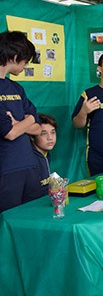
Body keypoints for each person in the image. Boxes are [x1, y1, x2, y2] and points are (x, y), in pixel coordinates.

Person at [0, 30, 41, 213]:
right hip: (6, 170)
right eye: (25, 61)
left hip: (29, 164)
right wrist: (27, 121)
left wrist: (21, 122)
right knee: (8, 220)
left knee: (30, 217)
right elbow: (10, 133)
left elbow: (37, 127)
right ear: (15, 57)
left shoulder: (17, 88)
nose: (25, 66)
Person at [30, 113, 57, 200]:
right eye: (43, 133)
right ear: (32, 137)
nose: (50, 138)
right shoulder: (29, 159)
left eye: (53, 132)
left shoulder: (46, 154)